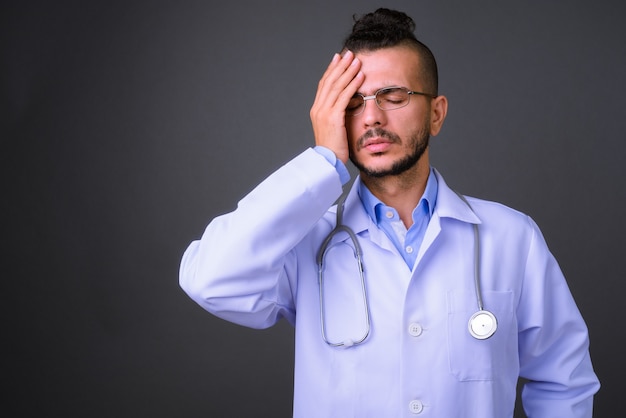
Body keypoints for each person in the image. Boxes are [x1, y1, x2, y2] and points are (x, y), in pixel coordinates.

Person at [179, 8, 599, 417]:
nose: (371, 118)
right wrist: (323, 160)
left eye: (393, 96)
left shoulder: (511, 237)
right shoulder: (306, 242)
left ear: (436, 113)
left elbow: (564, 381)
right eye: (352, 103)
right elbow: (210, 280)